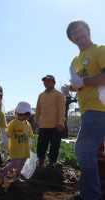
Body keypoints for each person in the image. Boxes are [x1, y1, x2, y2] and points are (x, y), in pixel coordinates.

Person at [63, 19, 105, 200]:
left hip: (99, 107)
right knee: (93, 152)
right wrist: (70, 88)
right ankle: (95, 192)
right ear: (71, 39)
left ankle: (90, 195)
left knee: (83, 148)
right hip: (87, 110)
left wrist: (83, 82)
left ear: (88, 31)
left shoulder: (100, 50)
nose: (77, 35)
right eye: (74, 34)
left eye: (80, 31)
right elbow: (80, 83)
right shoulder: (75, 60)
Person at [33, 75, 65, 167]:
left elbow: (61, 110)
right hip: (43, 126)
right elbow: (38, 109)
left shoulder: (59, 95)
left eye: (48, 81)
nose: (46, 83)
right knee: (41, 146)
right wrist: (36, 121)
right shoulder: (41, 95)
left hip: (55, 126)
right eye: (44, 81)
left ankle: (51, 164)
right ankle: (41, 163)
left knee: (54, 146)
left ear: (54, 82)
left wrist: (60, 123)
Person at [0, 101, 34, 184]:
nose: (25, 117)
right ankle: (3, 171)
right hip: (16, 148)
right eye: (23, 114)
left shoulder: (27, 124)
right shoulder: (13, 123)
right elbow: (7, 134)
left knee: (22, 163)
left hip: (24, 148)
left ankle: (16, 176)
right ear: (17, 113)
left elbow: (29, 135)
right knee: (16, 162)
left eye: (27, 115)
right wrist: (4, 141)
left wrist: (30, 143)